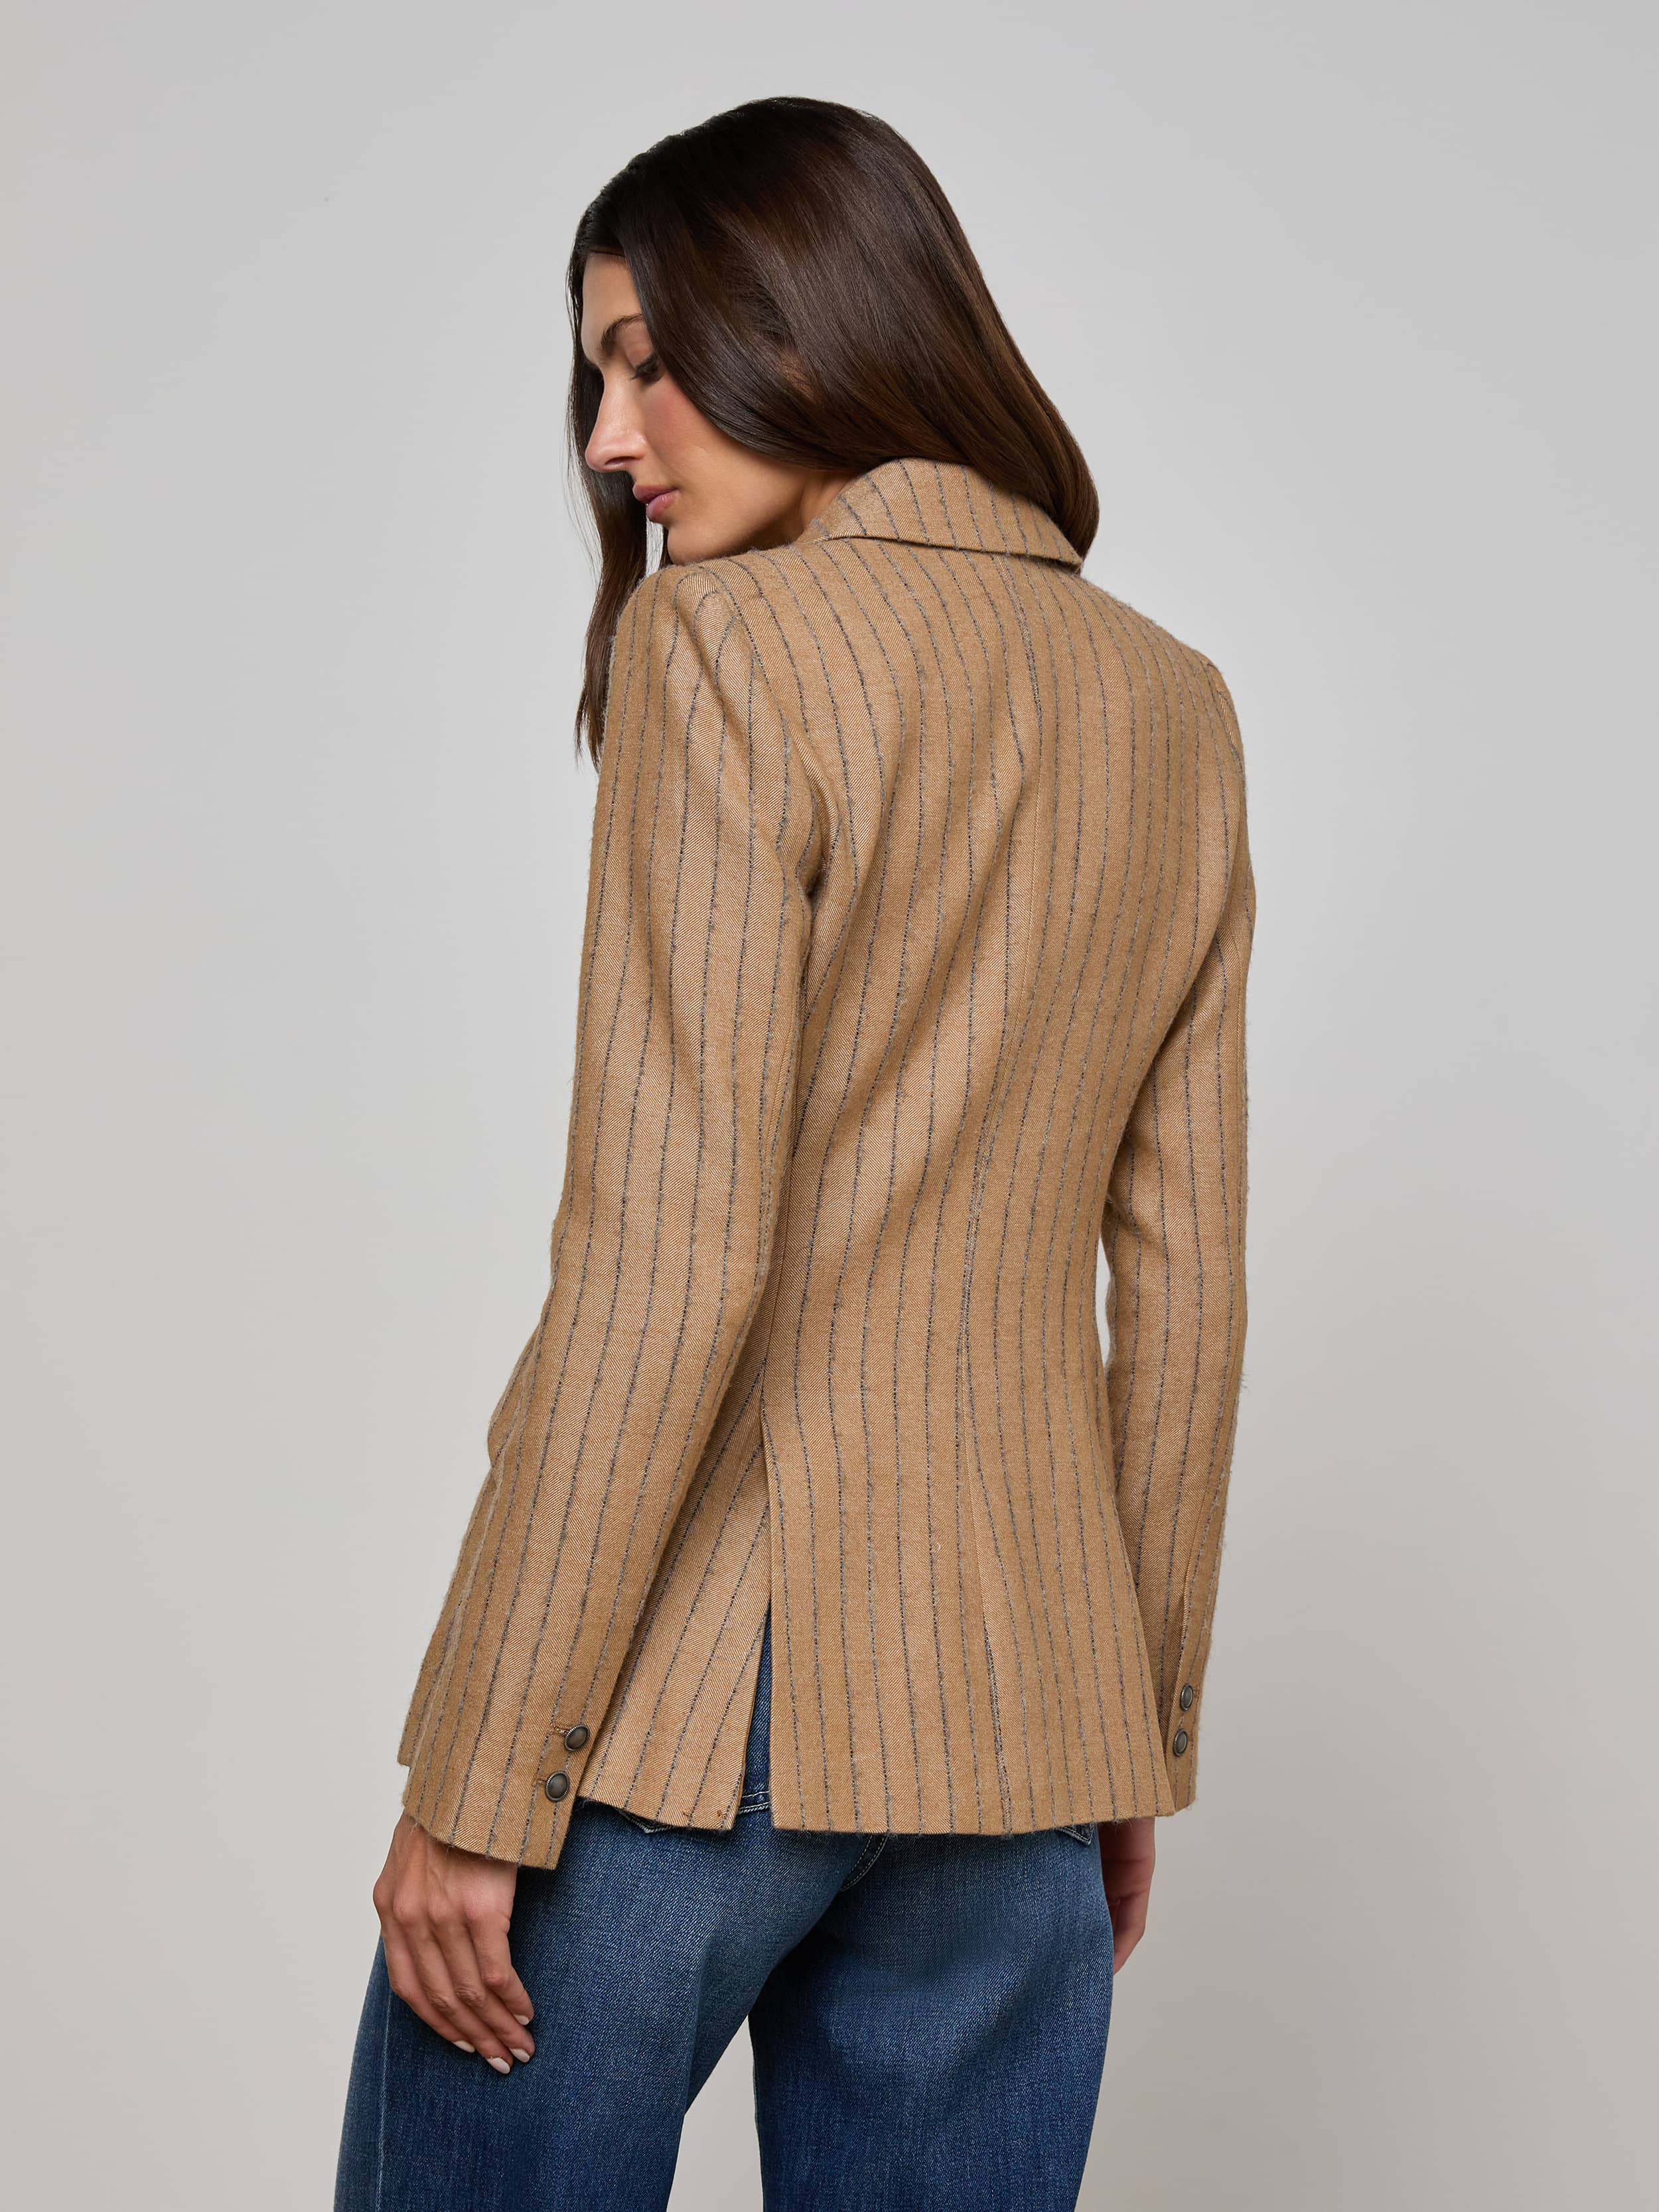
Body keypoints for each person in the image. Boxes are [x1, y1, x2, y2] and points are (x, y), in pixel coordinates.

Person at [335, 93, 1255, 2212]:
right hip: (1022, 1723)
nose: (608, 437)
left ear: (807, 325)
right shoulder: (1172, 702)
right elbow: (1189, 1283)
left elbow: (668, 1265)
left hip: (682, 1717)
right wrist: (1129, 1733)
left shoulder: (725, 649)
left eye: (647, 358)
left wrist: (480, 1777)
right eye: (595, 375)